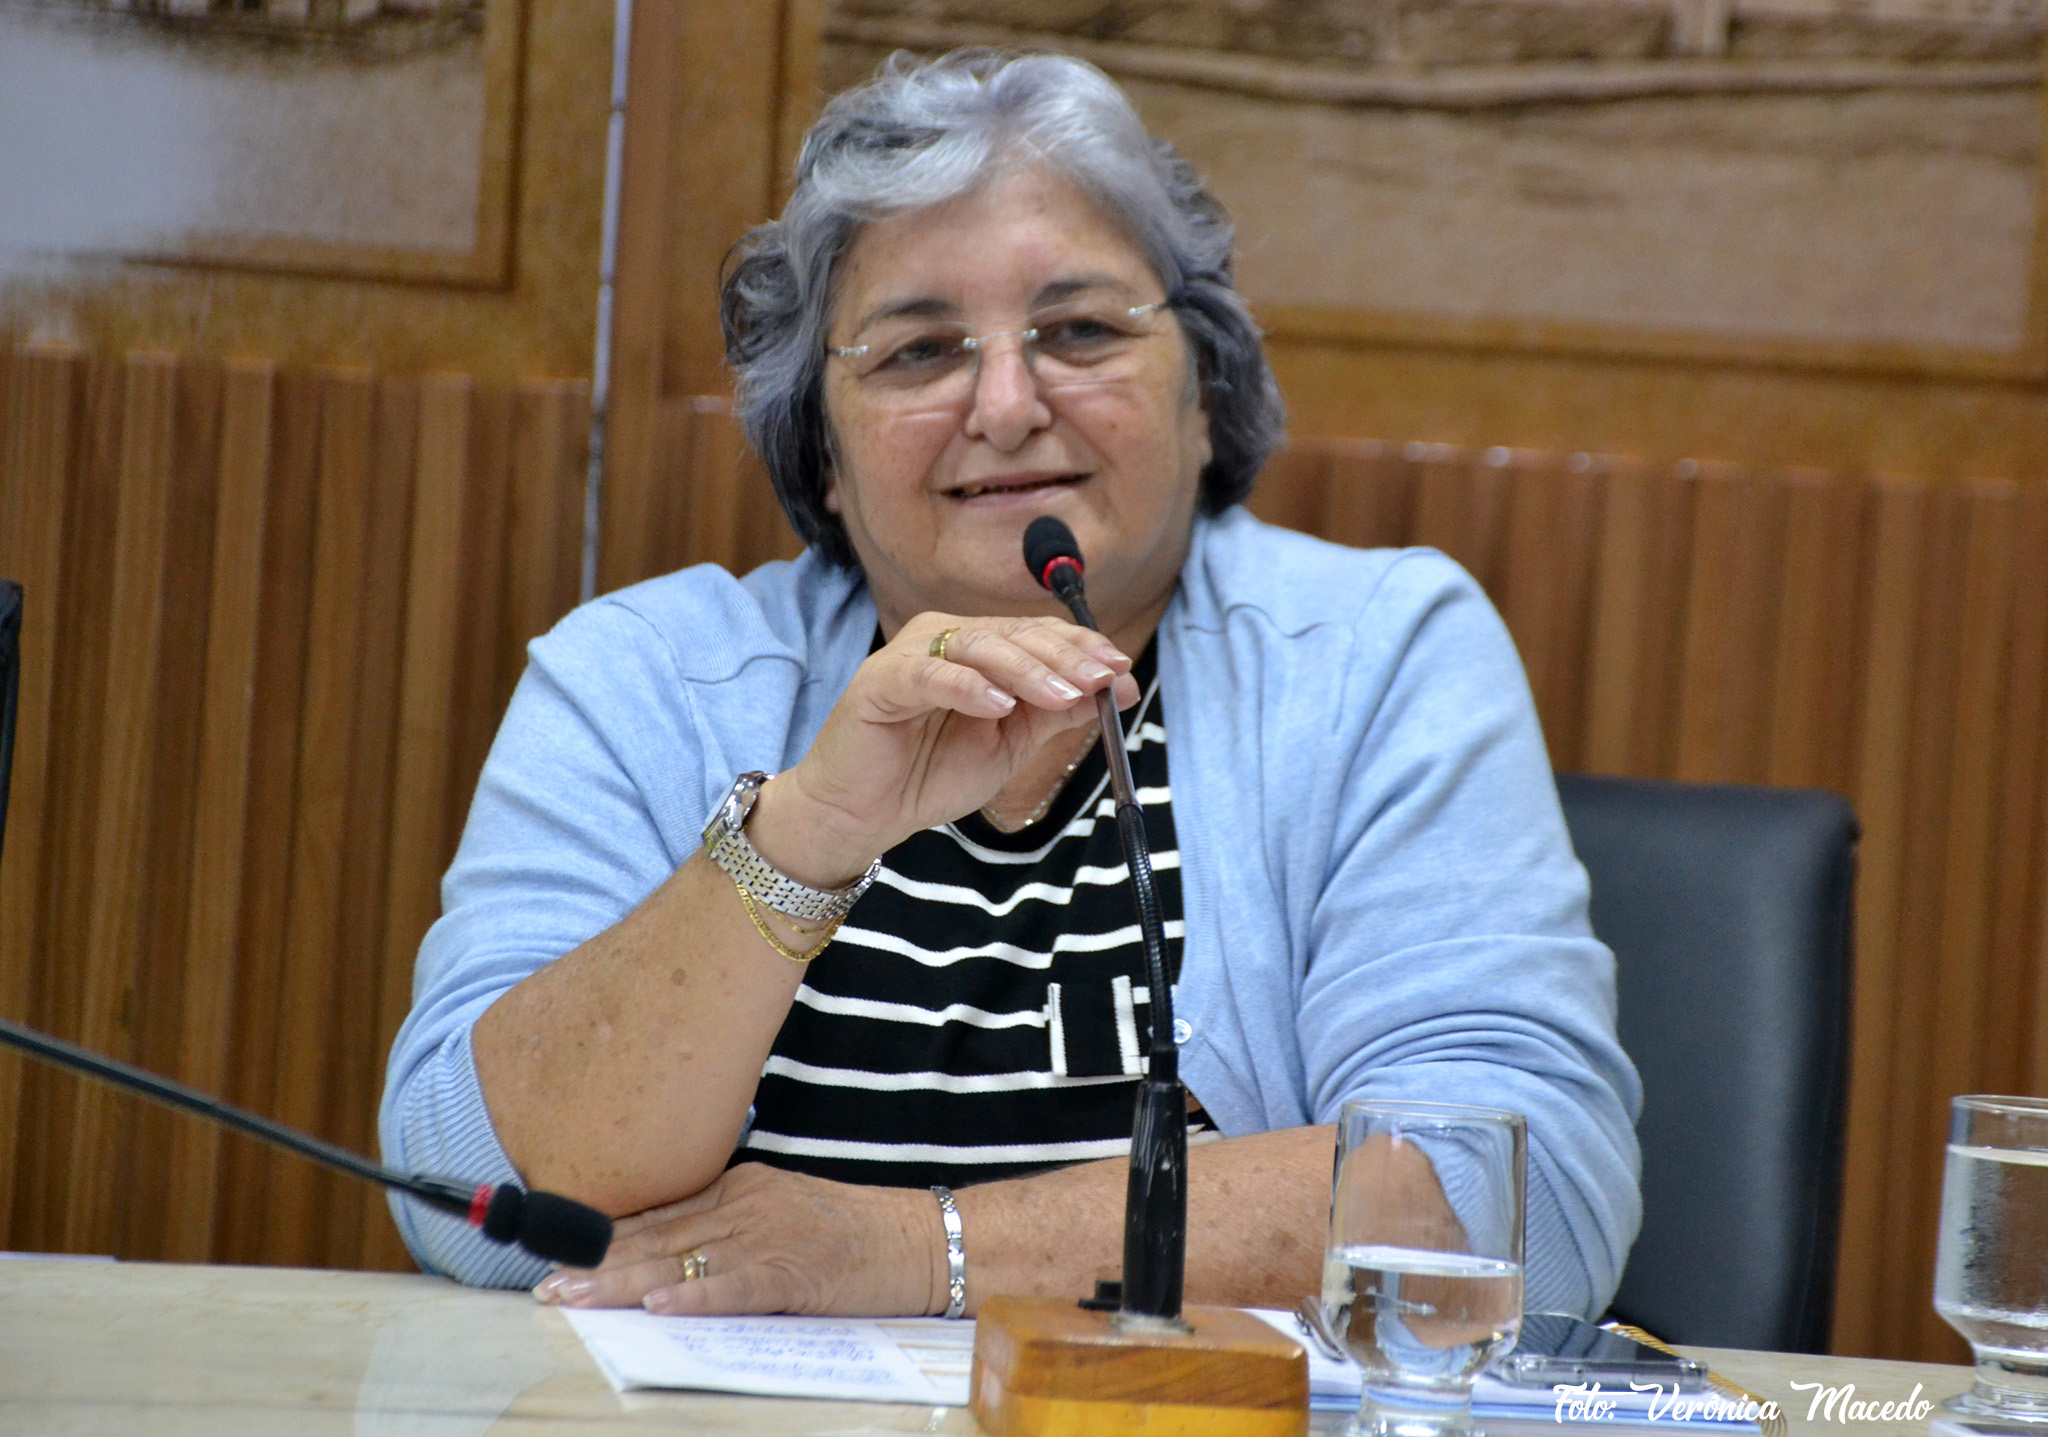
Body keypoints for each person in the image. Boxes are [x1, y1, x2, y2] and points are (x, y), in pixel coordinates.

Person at [378, 48, 1640, 1321]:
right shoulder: (645, 679)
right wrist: (800, 839)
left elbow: (1516, 1200)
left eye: (1078, 331)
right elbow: (467, 1196)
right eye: (919, 351)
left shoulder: (1373, 657)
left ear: (1202, 395)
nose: (1004, 403)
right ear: (822, 454)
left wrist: (908, 1252)